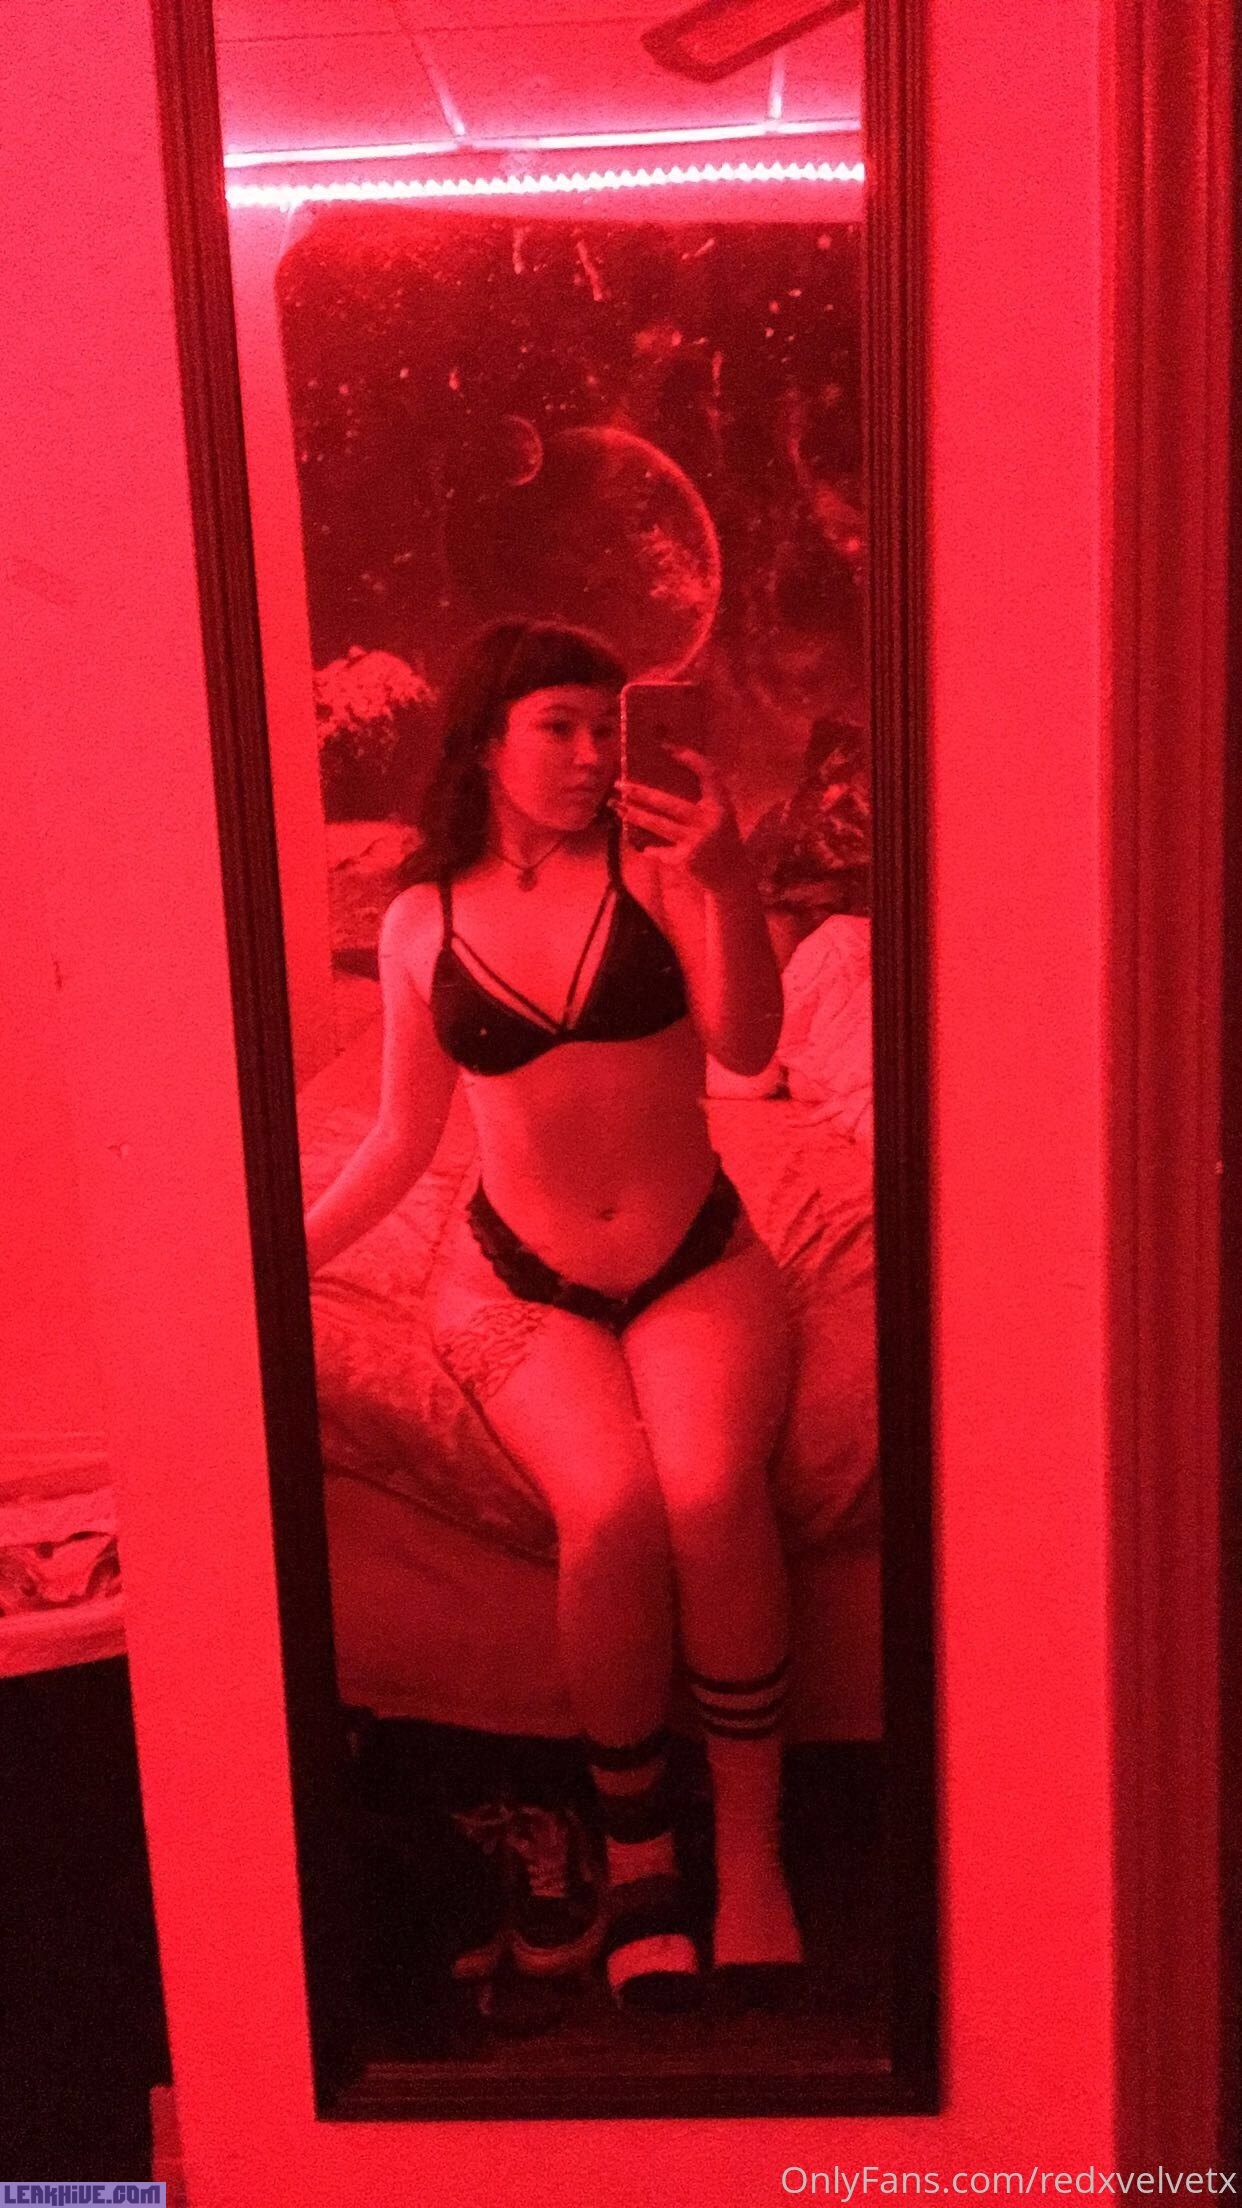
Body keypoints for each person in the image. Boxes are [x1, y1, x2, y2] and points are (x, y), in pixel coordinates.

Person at [305, 619, 804, 2011]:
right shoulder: (422, 919)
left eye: (603, 726)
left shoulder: (663, 871)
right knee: (614, 1510)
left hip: (694, 1259)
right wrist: (271, 1263)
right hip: (514, 1277)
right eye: (559, 727)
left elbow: (749, 1048)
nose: (591, 756)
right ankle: (639, 1854)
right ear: (485, 742)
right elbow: (399, 1139)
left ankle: (752, 1857)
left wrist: (731, 882)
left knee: (711, 1495)